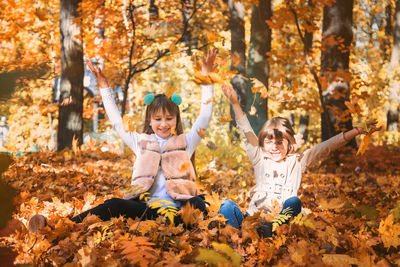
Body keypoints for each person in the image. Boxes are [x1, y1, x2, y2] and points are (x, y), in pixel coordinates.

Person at [29, 48, 218, 233]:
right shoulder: (141, 142)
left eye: (169, 118)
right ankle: (63, 226)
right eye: (158, 119)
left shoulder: (186, 142)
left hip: (177, 211)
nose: (164, 124)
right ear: (149, 121)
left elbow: (205, 116)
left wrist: (207, 81)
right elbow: (118, 122)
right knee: (113, 204)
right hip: (146, 210)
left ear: (176, 119)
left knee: (198, 203)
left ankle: (173, 227)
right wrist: (104, 87)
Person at [219, 84, 382, 237]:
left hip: (279, 218)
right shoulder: (259, 158)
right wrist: (235, 103)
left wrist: (356, 131)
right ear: (262, 144)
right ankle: (237, 236)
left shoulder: (297, 162)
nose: (274, 147)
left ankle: (272, 231)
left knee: (294, 202)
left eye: (279, 142)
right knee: (226, 205)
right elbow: (246, 131)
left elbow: (325, 147)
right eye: (269, 142)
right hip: (253, 218)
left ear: (289, 143)